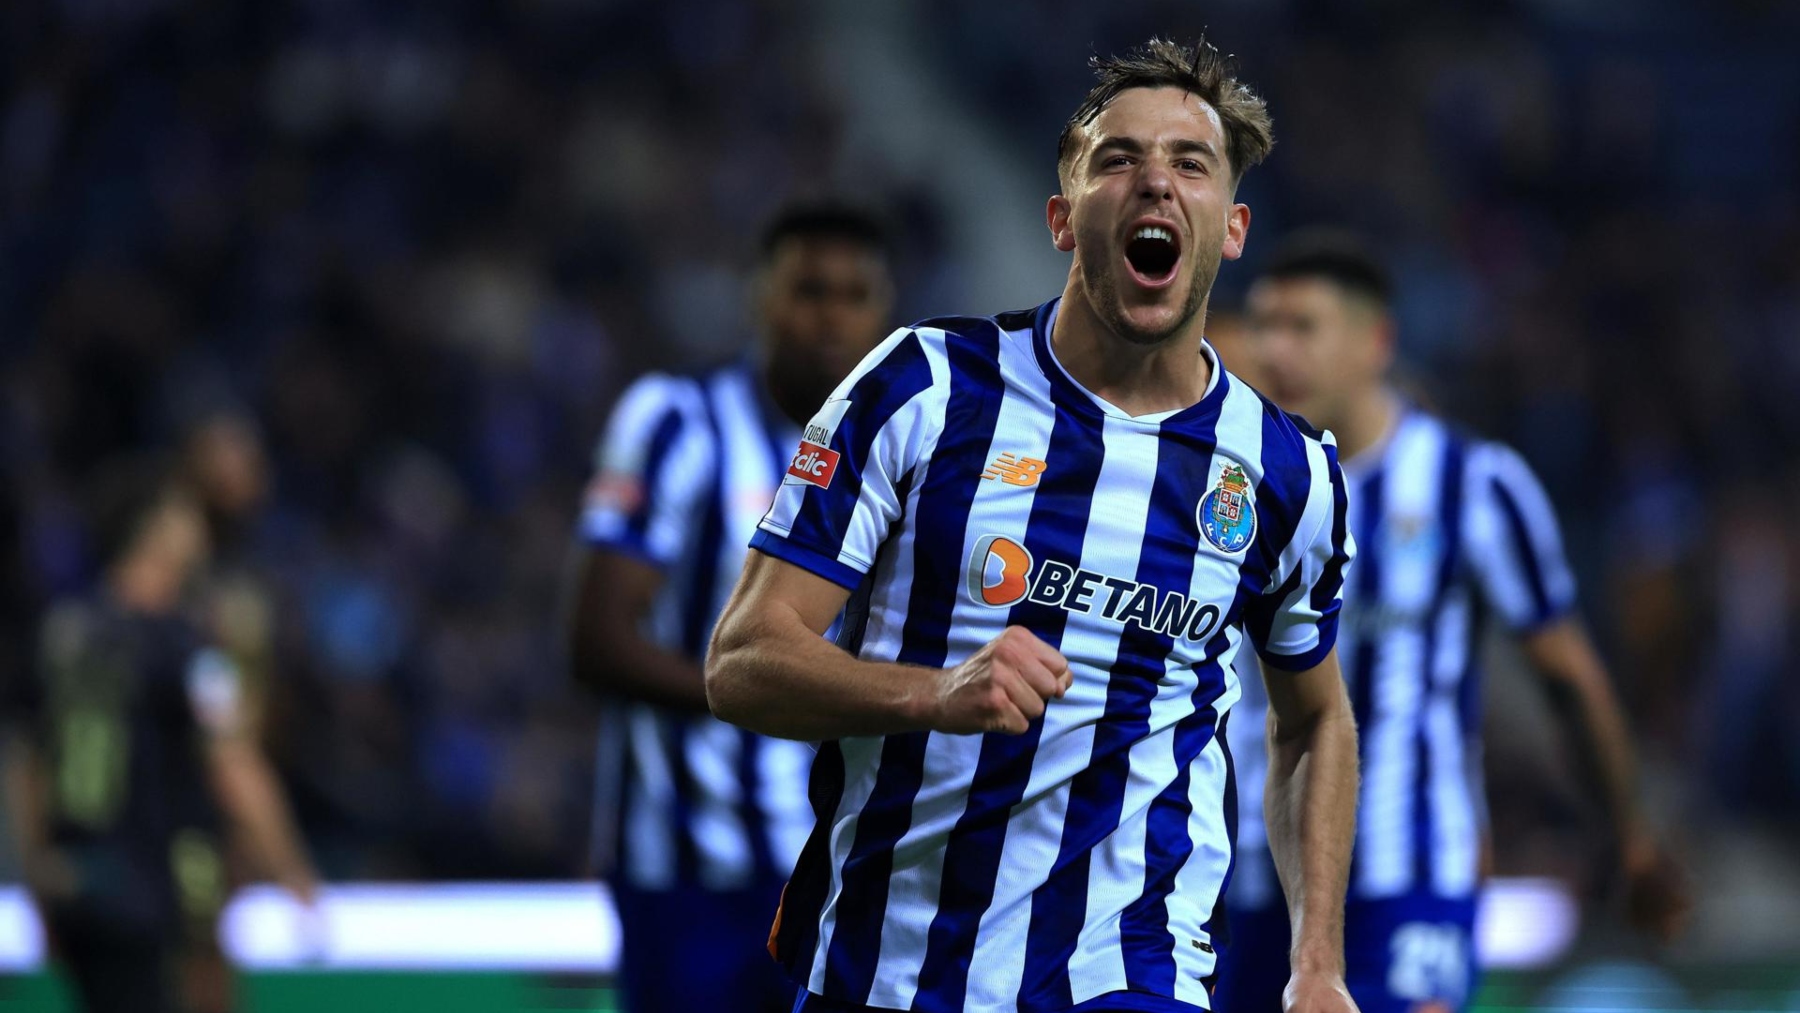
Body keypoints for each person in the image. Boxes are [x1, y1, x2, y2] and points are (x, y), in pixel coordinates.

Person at [706, 38, 1361, 1013]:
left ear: (1231, 227)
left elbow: (1315, 720)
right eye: (1117, 159)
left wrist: (1317, 964)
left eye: (1190, 163)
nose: (1155, 183)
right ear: (1062, 218)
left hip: (1133, 969)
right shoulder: (920, 388)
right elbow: (744, 659)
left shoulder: (1285, 471)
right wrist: (932, 693)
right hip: (888, 965)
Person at [1213, 233, 1690, 1013]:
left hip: (1411, 883)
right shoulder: (1238, 483)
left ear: (1375, 342)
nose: (1275, 349)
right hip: (1253, 879)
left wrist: (1631, 834)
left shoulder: (1473, 484)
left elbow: (1569, 676)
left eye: (1302, 327)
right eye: (1264, 326)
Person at [567, 201, 896, 1013]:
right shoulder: (677, 422)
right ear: (761, 299)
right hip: (687, 869)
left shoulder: (899, 450)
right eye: (809, 290)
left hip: (834, 861)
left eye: (854, 295)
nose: (831, 316)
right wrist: (769, 687)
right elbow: (597, 640)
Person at [0, 459, 318, 1013]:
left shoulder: (60, 634)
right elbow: (232, 762)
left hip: (73, 884)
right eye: (184, 516)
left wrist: (35, 878)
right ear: (155, 531)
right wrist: (292, 870)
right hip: (151, 890)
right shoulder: (184, 647)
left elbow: (23, 764)